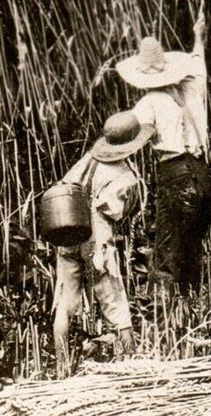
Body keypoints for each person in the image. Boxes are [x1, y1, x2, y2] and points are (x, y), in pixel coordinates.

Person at [114, 0, 211, 294]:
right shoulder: (194, 87)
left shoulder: (149, 103)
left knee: (167, 254)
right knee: (192, 253)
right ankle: (193, 319)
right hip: (203, 175)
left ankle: (164, 324)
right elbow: (199, 54)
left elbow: (129, 139)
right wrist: (199, 34)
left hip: (174, 174)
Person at [52, 111, 154, 375]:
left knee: (65, 301)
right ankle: (130, 363)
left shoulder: (88, 160)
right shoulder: (124, 176)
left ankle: (61, 367)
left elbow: (66, 186)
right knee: (115, 300)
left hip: (69, 233)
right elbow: (111, 210)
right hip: (97, 241)